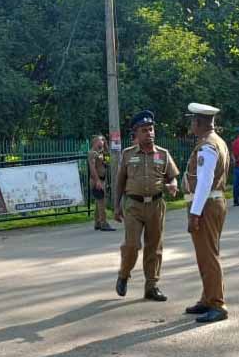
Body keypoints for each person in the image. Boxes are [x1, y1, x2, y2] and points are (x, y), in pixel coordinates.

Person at [114, 110, 180, 301]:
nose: (149, 133)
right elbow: (120, 182)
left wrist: (173, 185)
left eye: (151, 129)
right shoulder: (127, 155)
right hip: (133, 205)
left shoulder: (163, 154)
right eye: (144, 130)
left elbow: (172, 176)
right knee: (132, 245)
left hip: (156, 205)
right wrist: (116, 206)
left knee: (154, 247)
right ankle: (123, 275)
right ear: (136, 133)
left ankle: (151, 286)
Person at [183, 103, 231, 323]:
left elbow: (204, 181)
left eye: (193, 120)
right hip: (212, 203)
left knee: (208, 255)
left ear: (200, 123)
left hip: (206, 205)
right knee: (207, 253)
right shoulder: (216, 141)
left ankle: (217, 304)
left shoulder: (207, 146)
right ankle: (207, 298)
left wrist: (195, 214)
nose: (191, 124)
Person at [88, 135, 115, 232]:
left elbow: (107, 162)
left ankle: (97, 223)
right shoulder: (92, 153)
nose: (103, 142)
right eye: (101, 140)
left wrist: (106, 148)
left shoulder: (101, 153)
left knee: (99, 202)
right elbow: (92, 168)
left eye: (104, 140)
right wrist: (97, 181)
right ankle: (104, 223)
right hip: (96, 180)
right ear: (95, 142)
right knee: (102, 202)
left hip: (102, 180)